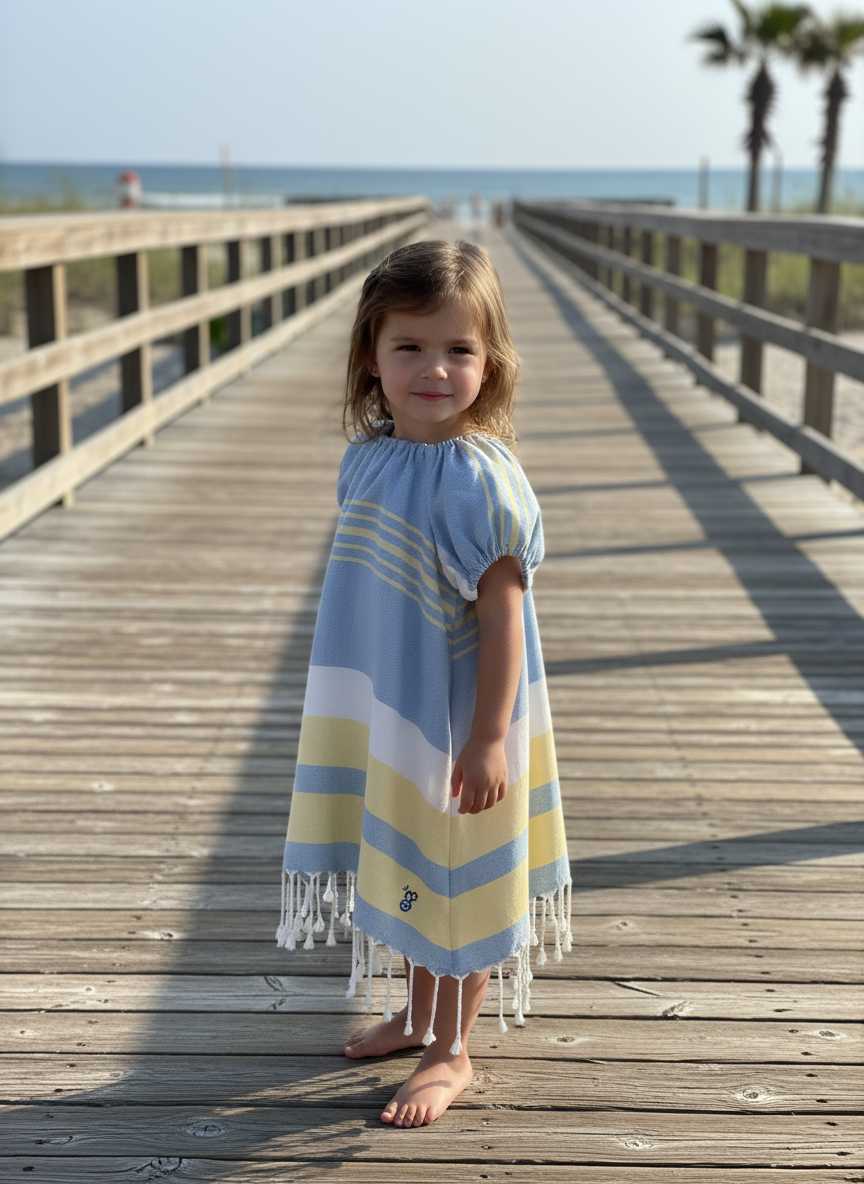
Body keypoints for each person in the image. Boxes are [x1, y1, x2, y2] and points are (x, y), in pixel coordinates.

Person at [276, 239, 570, 1127]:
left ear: (492, 362)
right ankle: (416, 1011)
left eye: (459, 350)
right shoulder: (370, 458)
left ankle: (454, 1049)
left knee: (460, 871)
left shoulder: (480, 482)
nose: (434, 369)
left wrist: (487, 738)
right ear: (372, 353)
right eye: (410, 347)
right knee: (407, 855)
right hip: (386, 707)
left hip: (456, 717)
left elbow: (504, 616)